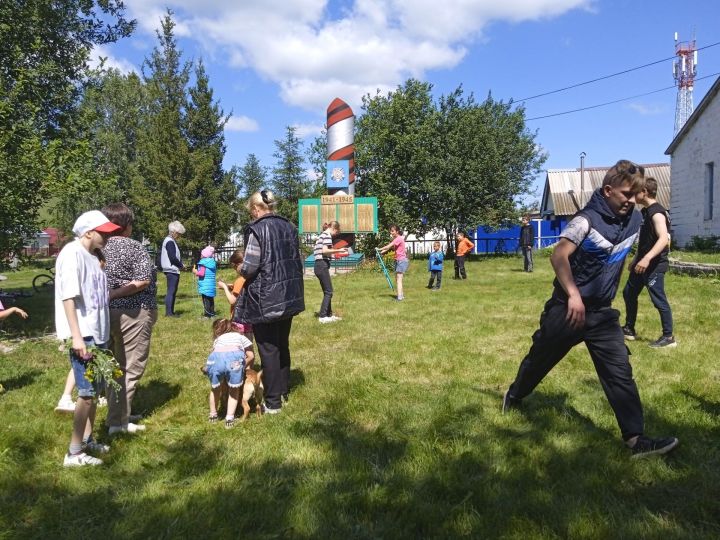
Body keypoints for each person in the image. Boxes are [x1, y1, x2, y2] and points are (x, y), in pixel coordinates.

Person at [502, 160, 679, 458]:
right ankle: (515, 394)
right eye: (625, 194)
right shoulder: (586, 220)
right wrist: (572, 294)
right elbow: (559, 256)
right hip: (568, 308)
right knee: (541, 358)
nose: (630, 200)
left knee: (619, 370)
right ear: (608, 190)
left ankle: (636, 440)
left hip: (600, 313)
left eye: (634, 195)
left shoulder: (634, 221)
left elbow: (623, 255)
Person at [55, 210, 122, 466]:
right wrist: (77, 337)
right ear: (88, 232)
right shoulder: (72, 254)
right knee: (85, 393)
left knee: (93, 392)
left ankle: (87, 440)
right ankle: (73, 453)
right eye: (103, 231)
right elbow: (68, 298)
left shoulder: (94, 258)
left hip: (98, 333)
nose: (108, 235)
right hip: (84, 334)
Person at [234, 190, 305, 413]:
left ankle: (273, 402)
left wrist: (240, 271)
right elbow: (296, 259)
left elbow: (251, 265)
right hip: (288, 292)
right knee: (282, 343)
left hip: (265, 296)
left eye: (251, 212)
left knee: (268, 349)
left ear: (256, 209)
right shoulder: (290, 227)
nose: (251, 216)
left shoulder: (256, 229)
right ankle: (283, 390)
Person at [102, 203, 157, 435]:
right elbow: (143, 280)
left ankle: (118, 412)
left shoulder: (98, 247)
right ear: (125, 226)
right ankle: (118, 423)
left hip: (106, 314)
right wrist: (115, 293)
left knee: (114, 365)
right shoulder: (134, 247)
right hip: (133, 313)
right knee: (131, 367)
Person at [621, 177, 675, 348]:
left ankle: (668, 337)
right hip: (642, 263)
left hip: (654, 265)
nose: (632, 195)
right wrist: (637, 258)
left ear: (644, 192)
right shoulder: (646, 212)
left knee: (659, 300)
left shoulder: (657, 212)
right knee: (629, 293)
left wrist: (646, 258)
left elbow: (662, 240)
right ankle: (629, 329)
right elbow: (645, 240)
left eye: (635, 191)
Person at [205, 319, 254, 428]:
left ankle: (213, 415)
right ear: (234, 328)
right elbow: (251, 356)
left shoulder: (218, 339)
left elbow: (215, 353)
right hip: (234, 359)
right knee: (234, 390)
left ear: (217, 331)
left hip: (216, 359)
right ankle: (229, 418)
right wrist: (241, 367)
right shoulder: (241, 337)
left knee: (215, 389)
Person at [313, 221, 348, 323]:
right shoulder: (327, 235)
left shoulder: (322, 235)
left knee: (326, 291)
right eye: (336, 233)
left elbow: (323, 253)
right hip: (321, 265)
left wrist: (335, 256)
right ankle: (323, 316)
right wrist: (339, 250)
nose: (335, 235)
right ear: (334, 229)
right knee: (329, 291)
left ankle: (328, 314)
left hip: (319, 265)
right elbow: (325, 251)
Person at [217, 249, 254, 340]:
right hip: (250, 317)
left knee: (240, 346)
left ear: (237, 265)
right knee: (248, 344)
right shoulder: (251, 277)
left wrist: (225, 288)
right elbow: (243, 290)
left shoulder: (239, 280)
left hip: (239, 320)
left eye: (234, 267)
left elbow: (232, 301)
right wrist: (232, 287)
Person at [160, 221, 185, 317]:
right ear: (173, 232)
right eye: (178, 234)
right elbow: (172, 257)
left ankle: (171, 312)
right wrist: (181, 266)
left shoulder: (169, 240)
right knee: (171, 291)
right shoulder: (169, 241)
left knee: (172, 291)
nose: (179, 236)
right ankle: (169, 313)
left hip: (171, 269)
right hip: (171, 269)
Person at [379, 225, 409, 300]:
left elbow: (388, 246)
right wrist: (381, 252)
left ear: (397, 231)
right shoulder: (396, 239)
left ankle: (399, 298)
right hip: (397, 260)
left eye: (392, 231)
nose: (391, 232)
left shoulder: (398, 238)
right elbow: (389, 248)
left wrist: (379, 249)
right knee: (397, 279)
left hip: (401, 261)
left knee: (399, 279)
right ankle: (401, 295)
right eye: (391, 231)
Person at [193, 246, 217, 318]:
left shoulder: (203, 263)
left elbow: (201, 273)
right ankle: (212, 313)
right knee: (211, 299)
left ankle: (207, 315)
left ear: (204, 255)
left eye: (201, 254)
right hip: (211, 285)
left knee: (206, 300)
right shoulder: (212, 262)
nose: (200, 255)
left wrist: (195, 271)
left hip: (205, 285)